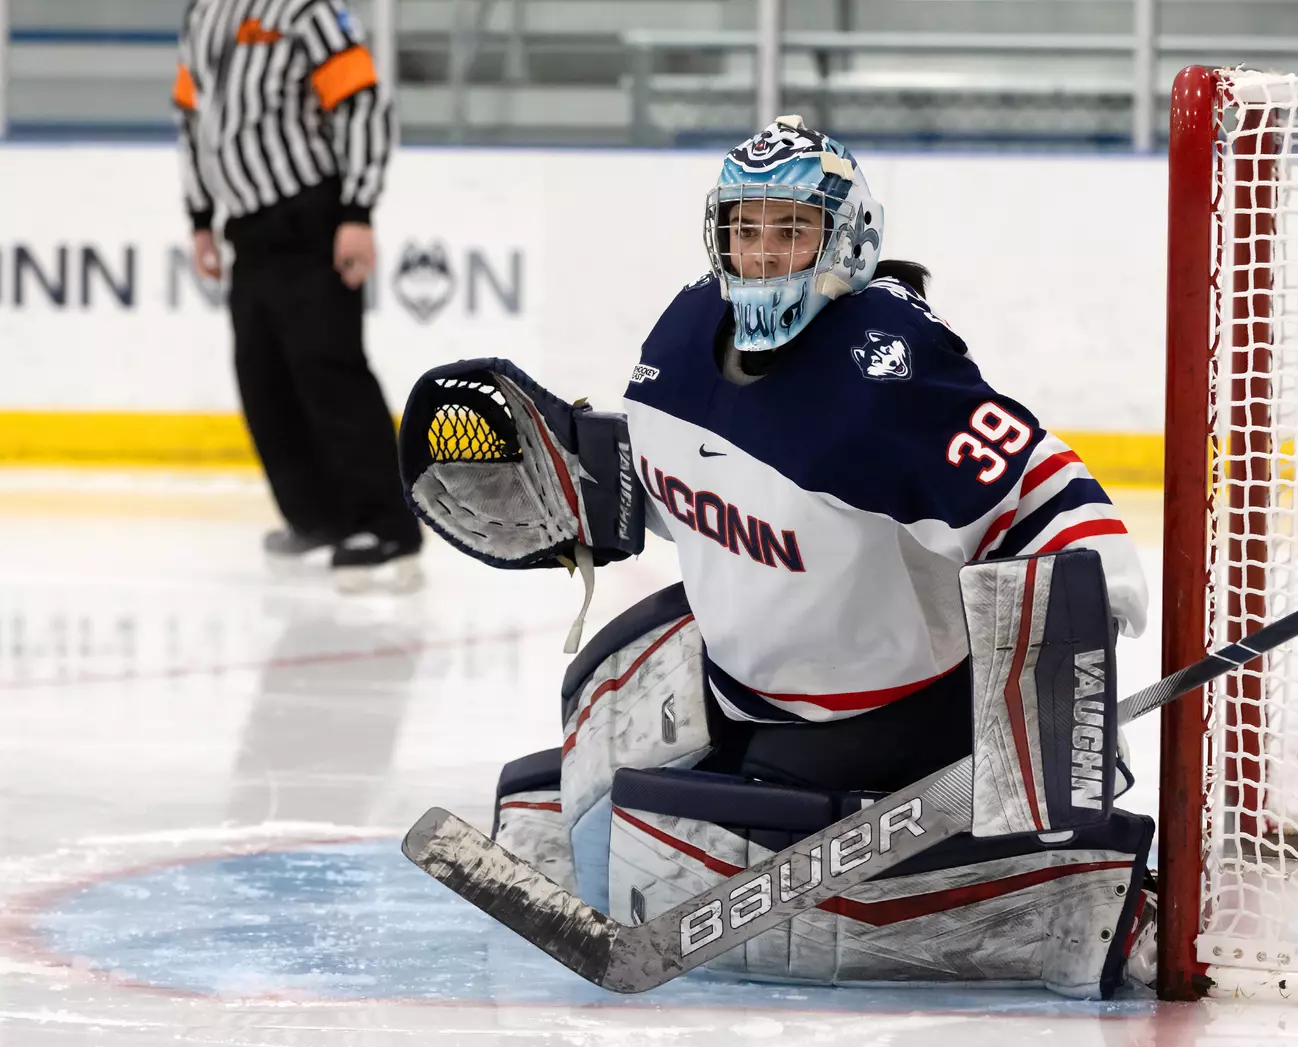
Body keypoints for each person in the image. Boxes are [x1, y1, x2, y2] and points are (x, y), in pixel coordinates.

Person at [400, 117, 1156, 997]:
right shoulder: (682, 334)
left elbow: (1042, 499)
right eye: (745, 230)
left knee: (663, 840)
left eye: (792, 231)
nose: (762, 256)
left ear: (846, 239)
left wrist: (1073, 674)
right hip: (748, 684)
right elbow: (706, 498)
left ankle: (1064, 901)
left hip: (887, 713)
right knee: (596, 708)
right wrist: (595, 490)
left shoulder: (891, 369)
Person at [173, 0, 421, 592]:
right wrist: (200, 216)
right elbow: (191, 116)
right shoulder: (204, 12)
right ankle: (317, 518)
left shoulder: (308, 9)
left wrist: (357, 209)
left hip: (310, 217)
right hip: (247, 229)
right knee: (263, 381)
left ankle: (387, 526)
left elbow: (361, 103)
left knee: (329, 371)